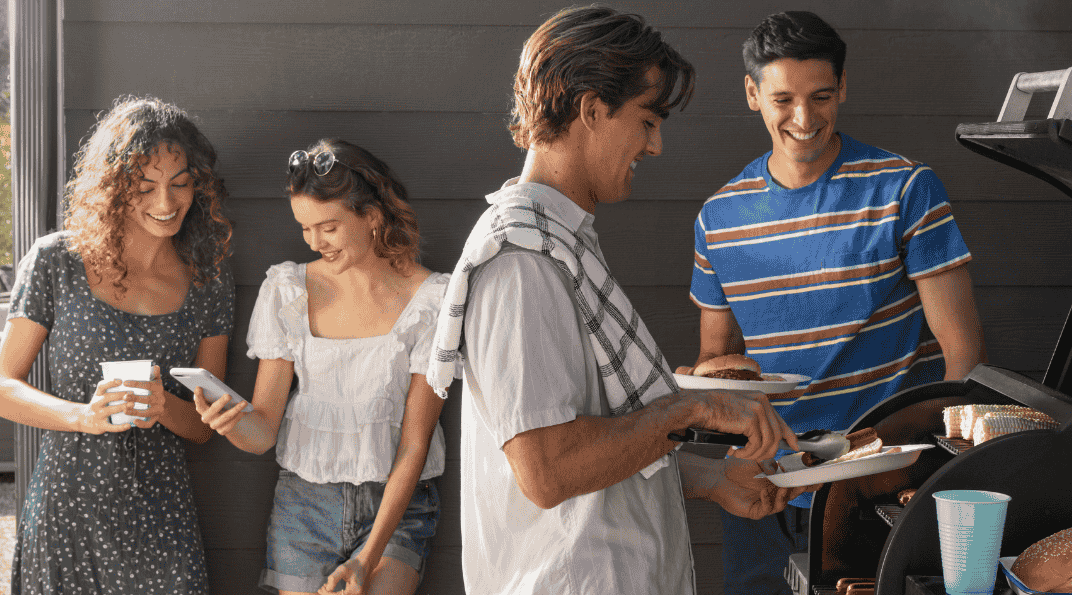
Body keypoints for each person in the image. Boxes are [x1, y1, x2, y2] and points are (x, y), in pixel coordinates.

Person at [422, 7, 815, 595]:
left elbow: (598, 438)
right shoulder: (523, 261)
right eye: (647, 120)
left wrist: (711, 478)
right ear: (591, 109)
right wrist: (693, 409)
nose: (654, 146)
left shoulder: (559, 242)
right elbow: (548, 470)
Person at [686, 11, 988, 594]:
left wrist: (925, 474)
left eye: (821, 96)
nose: (804, 119)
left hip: (878, 487)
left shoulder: (905, 188)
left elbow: (963, 356)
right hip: (762, 489)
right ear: (752, 94)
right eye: (783, 99)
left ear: (842, 88)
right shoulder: (718, 217)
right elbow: (718, 357)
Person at [0, 96, 235, 594]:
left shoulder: (209, 278)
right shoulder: (56, 261)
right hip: (67, 511)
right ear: (114, 187)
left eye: (180, 183)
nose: (166, 204)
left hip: (162, 518)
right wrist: (83, 416)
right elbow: (1, 389)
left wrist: (164, 405)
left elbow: (205, 429)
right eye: (145, 187)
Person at [194, 139, 448, 595]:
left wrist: (367, 558)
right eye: (305, 228)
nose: (314, 242)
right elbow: (264, 429)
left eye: (328, 227)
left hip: (398, 507)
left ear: (371, 215)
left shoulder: (429, 300)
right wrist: (229, 422)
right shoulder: (288, 289)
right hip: (304, 504)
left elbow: (414, 446)